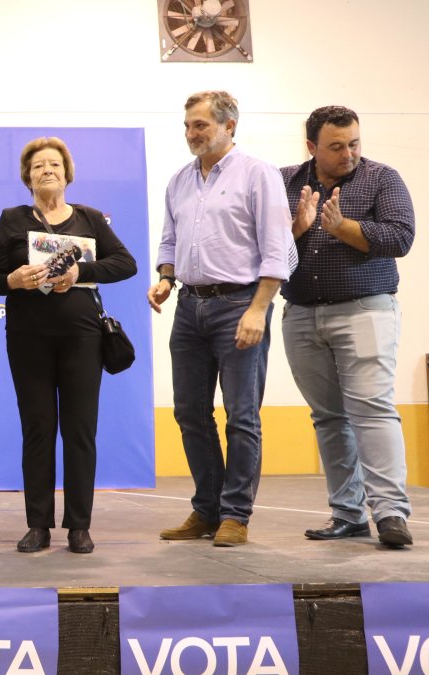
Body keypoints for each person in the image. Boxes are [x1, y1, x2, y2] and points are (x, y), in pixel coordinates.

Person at [147, 91, 295, 547]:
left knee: (241, 415)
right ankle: (206, 510)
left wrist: (258, 308)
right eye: (188, 126)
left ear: (230, 126)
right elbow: (170, 241)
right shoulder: (179, 181)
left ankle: (235, 515)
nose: (192, 134)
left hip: (240, 304)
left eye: (201, 125)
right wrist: (166, 279)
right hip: (189, 306)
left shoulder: (258, 174)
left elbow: (277, 249)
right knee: (190, 412)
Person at [0, 136, 137, 554]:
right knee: (38, 430)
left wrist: (81, 270)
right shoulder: (12, 218)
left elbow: (126, 263)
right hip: (27, 338)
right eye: (37, 166)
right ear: (27, 177)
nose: (46, 170)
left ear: (67, 173)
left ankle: (79, 526)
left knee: (80, 430)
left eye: (54, 164)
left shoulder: (88, 218)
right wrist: (11, 279)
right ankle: (37, 525)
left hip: (82, 338)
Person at [279, 106, 416, 548]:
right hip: (301, 314)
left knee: (372, 410)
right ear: (311, 147)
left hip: (365, 310)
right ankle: (348, 514)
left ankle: (391, 513)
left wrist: (344, 228)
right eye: (336, 146)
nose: (349, 153)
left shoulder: (382, 179)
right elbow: (262, 244)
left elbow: (400, 237)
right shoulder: (285, 181)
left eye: (354, 142)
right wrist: (296, 229)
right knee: (329, 418)